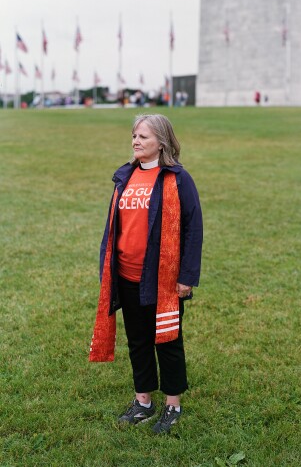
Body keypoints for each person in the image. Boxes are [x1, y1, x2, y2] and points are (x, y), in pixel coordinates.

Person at [89, 114, 203, 435]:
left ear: (161, 143)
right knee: (138, 341)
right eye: (134, 136)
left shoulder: (177, 179)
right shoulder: (125, 177)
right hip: (126, 276)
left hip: (163, 280)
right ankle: (143, 401)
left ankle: (172, 405)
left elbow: (193, 229)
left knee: (167, 340)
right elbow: (113, 228)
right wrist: (107, 269)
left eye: (143, 137)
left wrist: (186, 276)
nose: (136, 141)